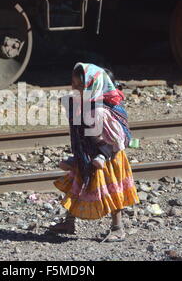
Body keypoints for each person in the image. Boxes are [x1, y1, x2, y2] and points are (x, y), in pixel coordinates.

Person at [51, 63, 139, 242]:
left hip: (109, 158)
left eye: (79, 86)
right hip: (87, 155)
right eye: (73, 84)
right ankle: (69, 222)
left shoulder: (101, 111)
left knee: (112, 191)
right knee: (77, 186)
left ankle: (118, 228)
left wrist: (101, 155)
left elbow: (116, 139)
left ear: (93, 87)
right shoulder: (84, 104)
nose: (74, 89)